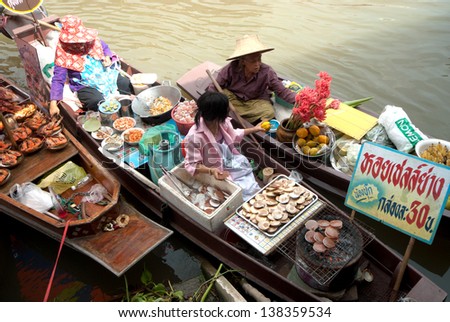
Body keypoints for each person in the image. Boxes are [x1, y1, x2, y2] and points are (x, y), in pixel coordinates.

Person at [183, 91, 264, 201]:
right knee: (239, 192)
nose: (229, 110)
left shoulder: (222, 122)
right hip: (214, 168)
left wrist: (254, 129)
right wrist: (212, 171)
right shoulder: (194, 137)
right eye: (226, 109)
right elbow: (192, 164)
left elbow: (234, 134)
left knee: (250, 184)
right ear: (216, 115)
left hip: (229, 159)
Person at [49, 15, 133, 116]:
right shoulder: (63, 53)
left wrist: (107, 57)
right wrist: (53, 103)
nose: (80, 44)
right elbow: (58, 79)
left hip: (104, 74)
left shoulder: (93, 41)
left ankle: (127, 108)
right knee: (96, 101)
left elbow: (105, 48)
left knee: (125, 83)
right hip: (84, 84)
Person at [207, 34, 296, 124]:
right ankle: (234, 115)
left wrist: (299, 100)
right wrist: (210, 104)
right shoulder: (231, 68)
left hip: (255, 101)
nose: (257, 64)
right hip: (234, 99)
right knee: (222, 97)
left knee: (269, 112)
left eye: (259, 59)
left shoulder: (267, 71)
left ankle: (241, 118)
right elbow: (215, 86)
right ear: (243, 61)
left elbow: (282, 91)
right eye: (253, 61)